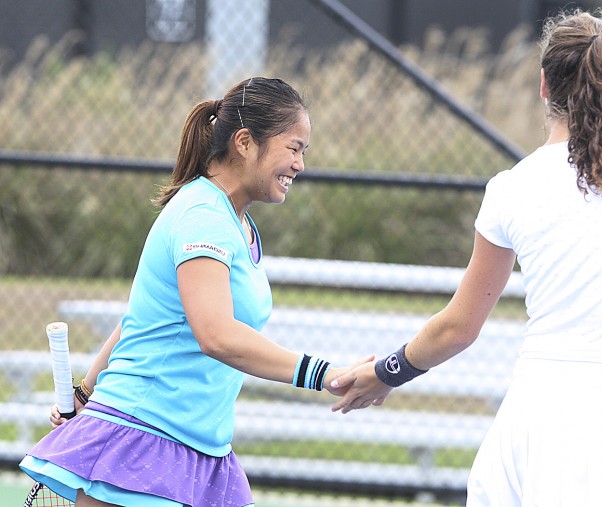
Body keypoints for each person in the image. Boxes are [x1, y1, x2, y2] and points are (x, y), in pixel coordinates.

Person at [330, 10, 602, 507]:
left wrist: (386, 372)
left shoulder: (510, 188)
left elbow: (457, 328)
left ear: (543, 85)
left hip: (524, 427)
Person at [20, 76, 366, 506]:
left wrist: (85, 390)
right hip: (142, 435)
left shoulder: (234, 222)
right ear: (244, 142)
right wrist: (326, 373)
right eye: (294, 148)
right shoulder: (202, 215)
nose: (299, 164)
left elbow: (145, 316)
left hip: (199, 446)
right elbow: (216, 335)